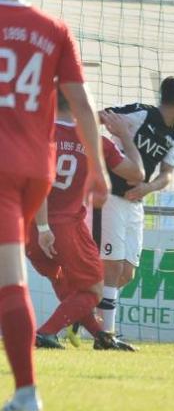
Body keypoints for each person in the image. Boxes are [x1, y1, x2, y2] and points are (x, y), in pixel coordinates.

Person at [0, 0, 109, 411]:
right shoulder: (54, 29)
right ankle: (25, 393)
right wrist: (99, 170)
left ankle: (27, 391)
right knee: (10, 277)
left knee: (10, 280)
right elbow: (81, 104)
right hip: (31, 172)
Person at [27, 93, 144, 351]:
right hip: (66, 227)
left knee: (68, 287)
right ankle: (45, 332)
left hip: (31, 226)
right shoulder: (95, 142)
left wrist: (42, 227)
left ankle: (102, 337)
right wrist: (125, 135)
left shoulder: (38, 133)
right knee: (94, 289)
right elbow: (137, 174)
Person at [95, 73, 174, 338]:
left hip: (136, 202)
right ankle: (106, 334)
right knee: (113, 267)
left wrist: (148, 187)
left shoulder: (173, 136)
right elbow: (95, 117)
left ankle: (82, 316)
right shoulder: (140, 113)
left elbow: (167, 174)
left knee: (126, 274)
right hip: (111, 198)